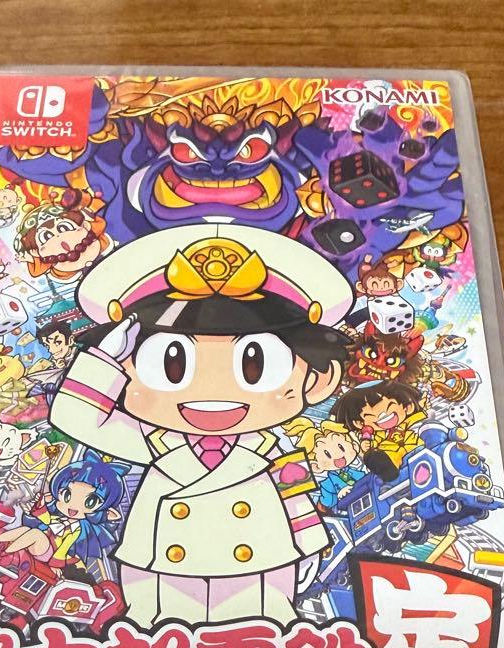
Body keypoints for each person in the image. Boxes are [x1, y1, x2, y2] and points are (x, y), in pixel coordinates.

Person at [49, 224, 353, 626]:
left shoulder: (272, 448)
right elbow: (75, 416)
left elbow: (294, 497)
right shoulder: (152, 440)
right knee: (158, 639)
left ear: (318, 380)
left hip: (260, 565)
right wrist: (103, 360)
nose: (212, 389)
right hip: (162, 568)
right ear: (127, 370)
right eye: (170, 363)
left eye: (255, 365)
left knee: (263, 635)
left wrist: (309, 548)